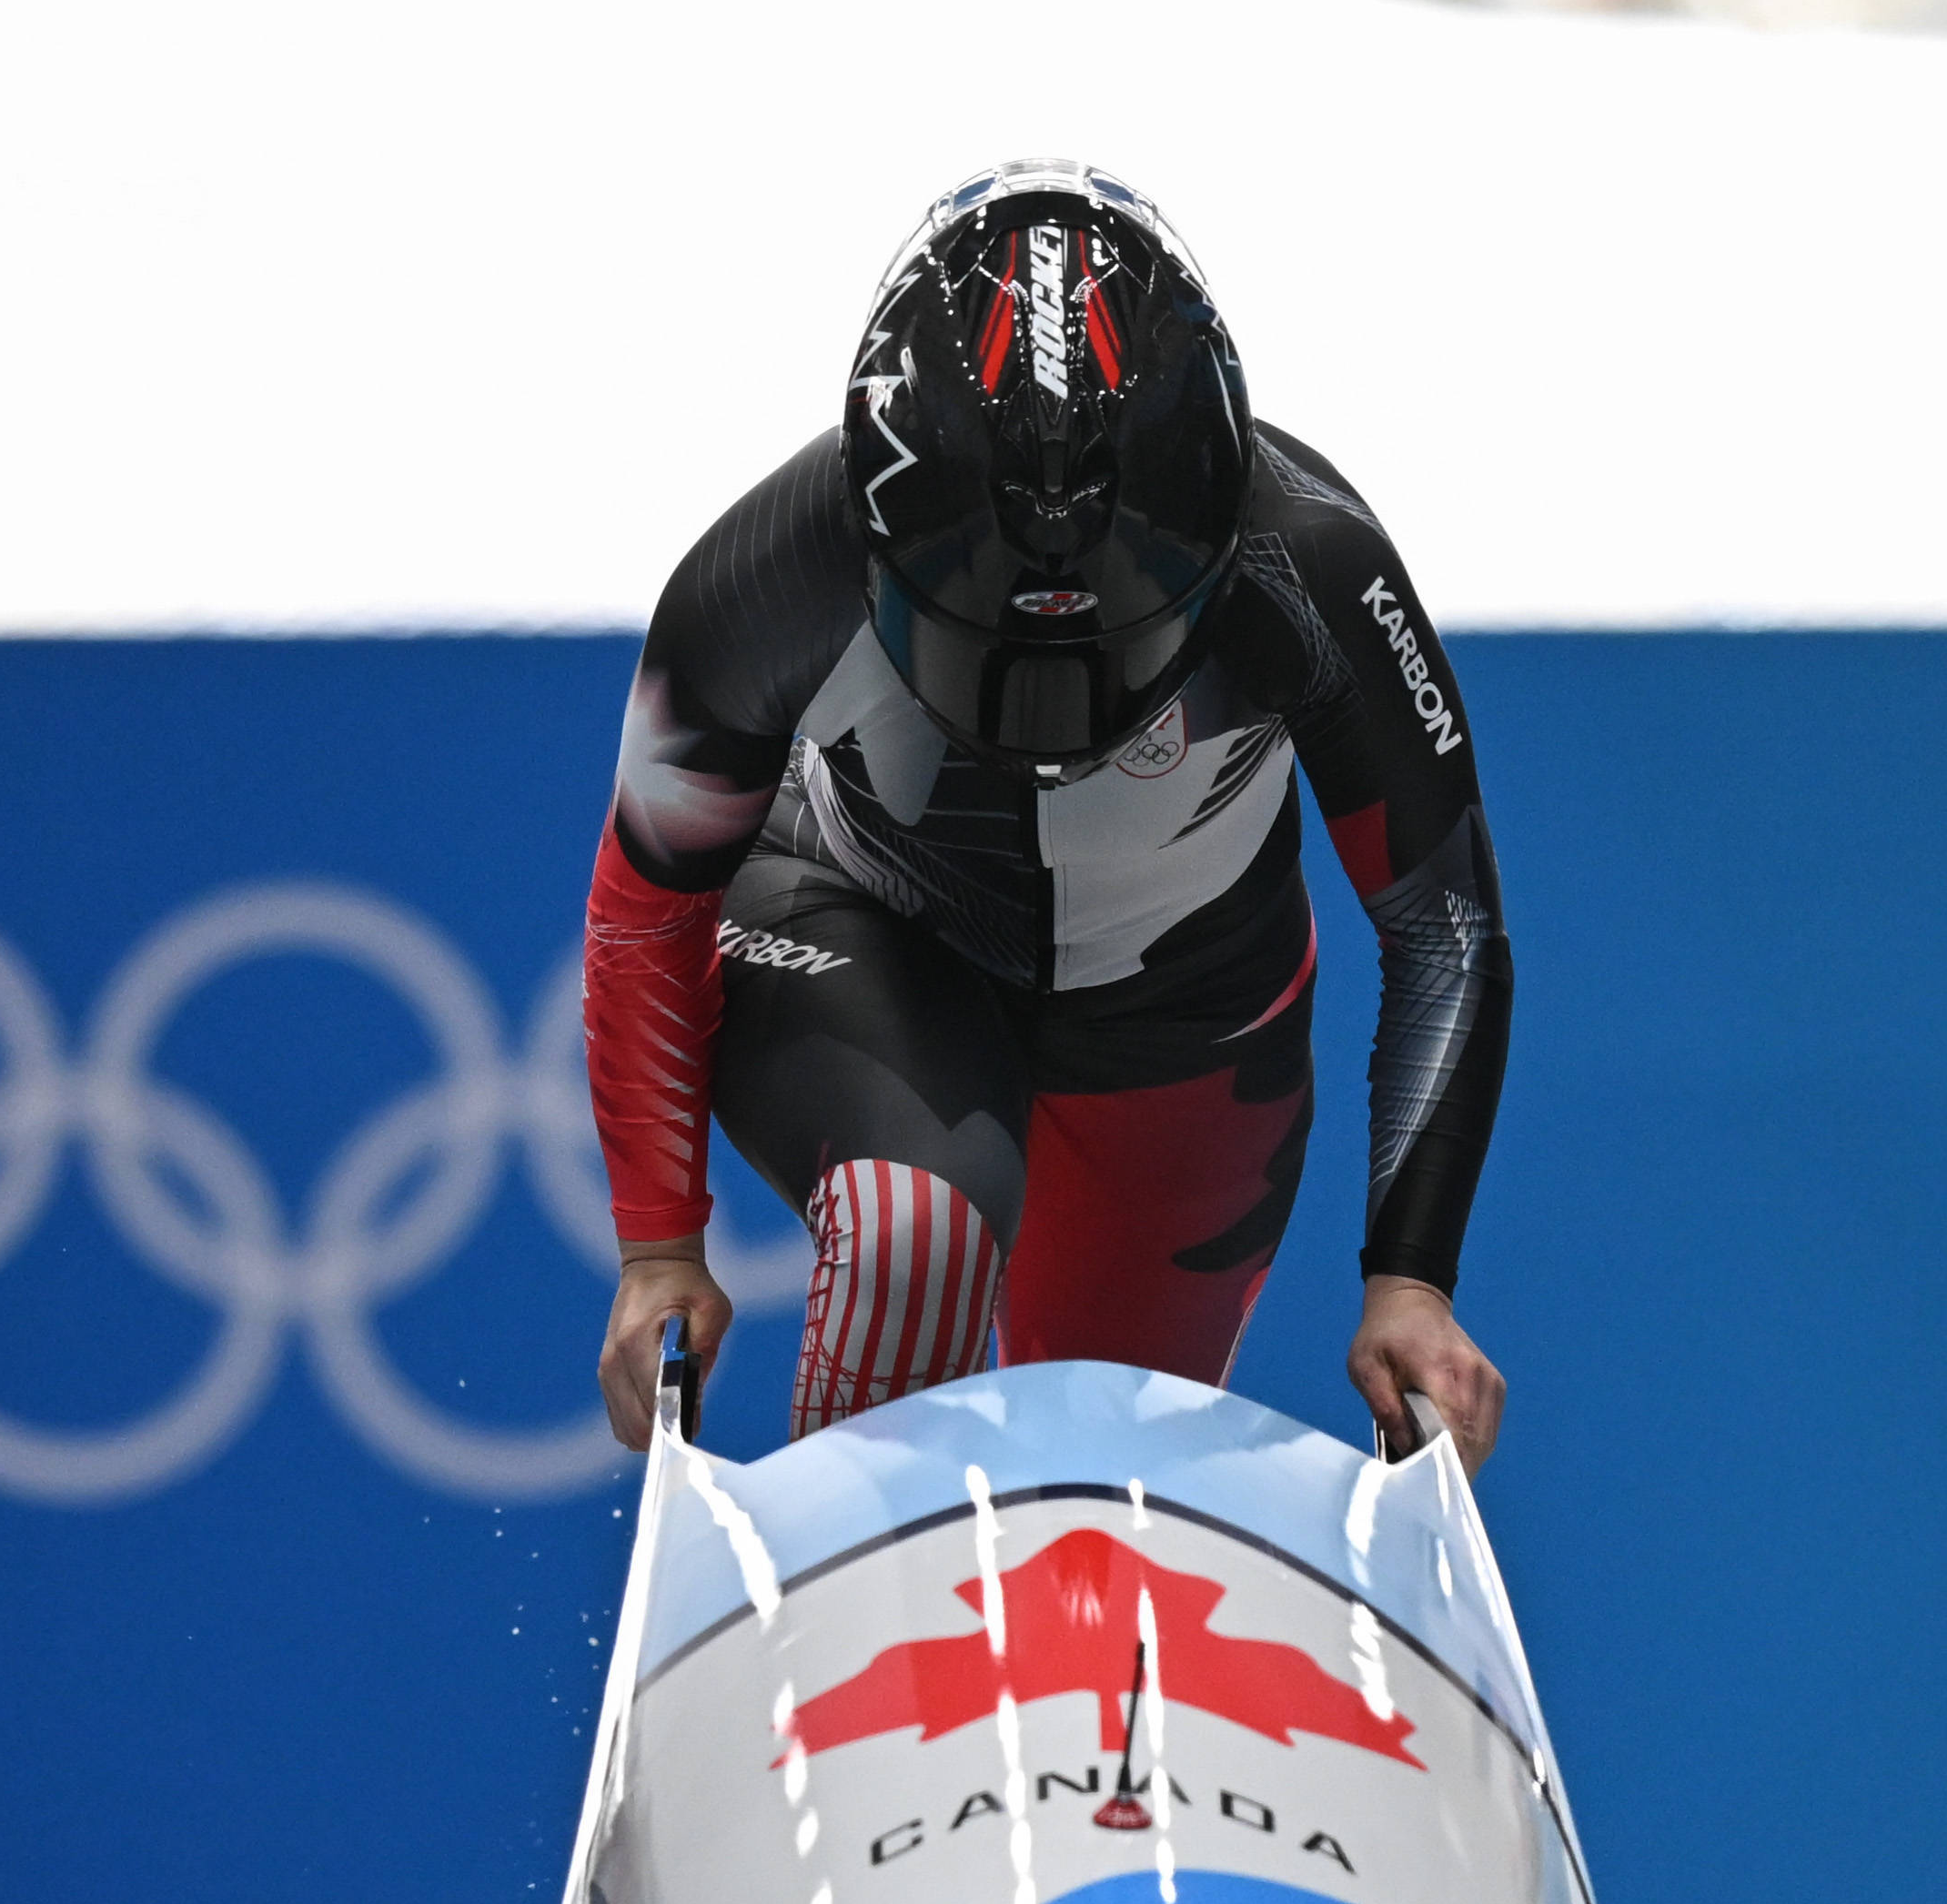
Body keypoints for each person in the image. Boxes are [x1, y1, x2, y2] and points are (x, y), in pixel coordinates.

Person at [582, 162, 1513, 1463]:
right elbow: (649, 906)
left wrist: (1411, 1277)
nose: (1045, 715)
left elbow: (1444, 927)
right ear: (880, 526)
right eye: (975, 624)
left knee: (1094, 1468)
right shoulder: (765, 574)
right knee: (915, 1233)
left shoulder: (1310, 564)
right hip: (865, 924)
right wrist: (657, 1243)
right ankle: (857, 1605)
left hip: (1185, 1023)